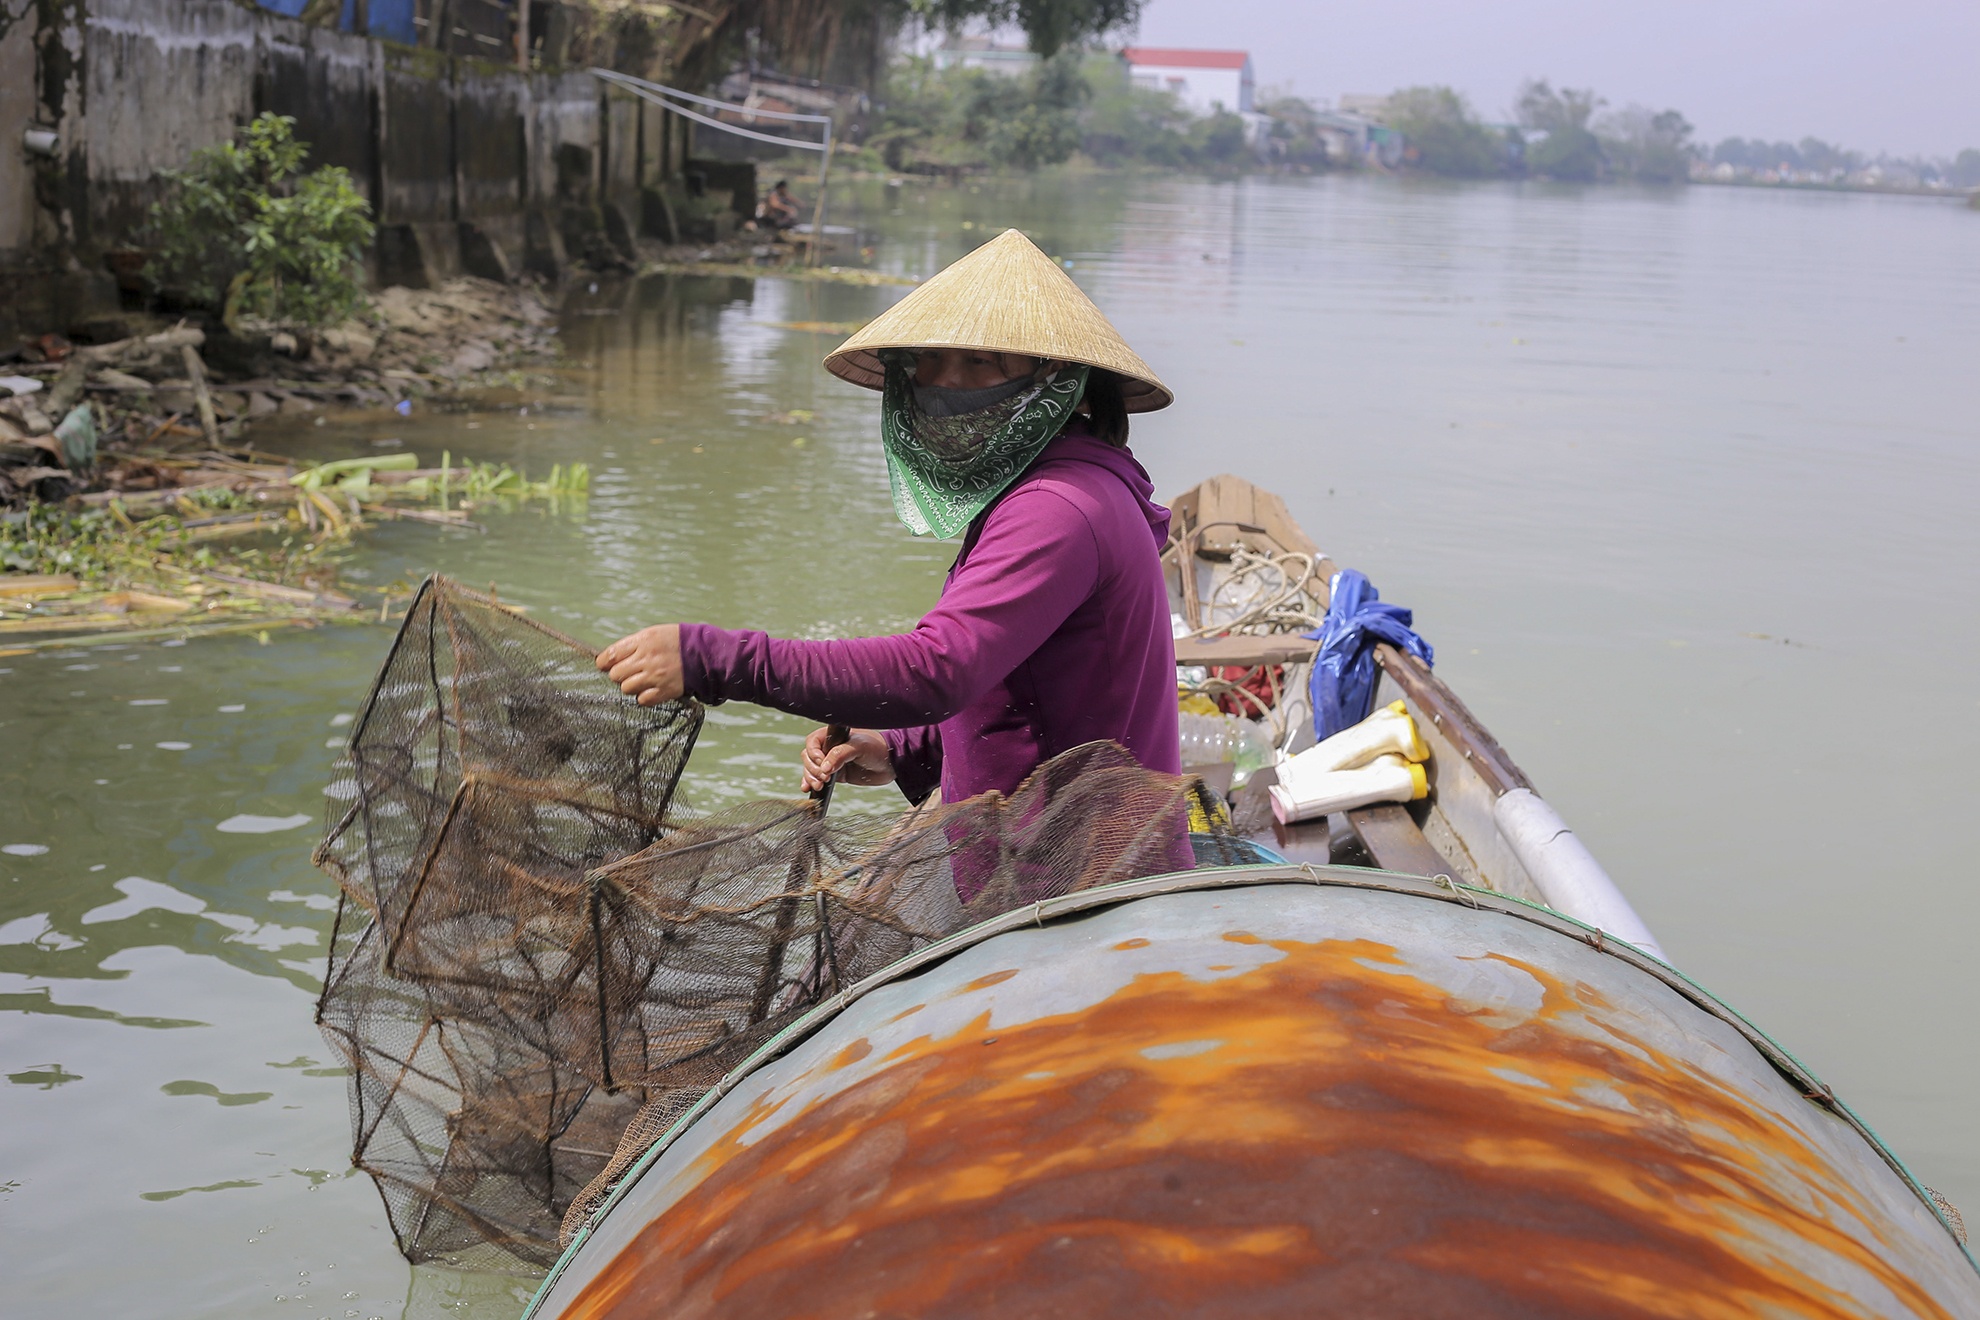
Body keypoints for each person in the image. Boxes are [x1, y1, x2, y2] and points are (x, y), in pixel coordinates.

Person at [596, 228, 1181, 811]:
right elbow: (1024, 685)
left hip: (1088, 887)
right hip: (1031, 864)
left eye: (980, 362)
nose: (946, 383)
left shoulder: (1058, 508)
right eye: (929, 360)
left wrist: (714, 659)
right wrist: (906, 749)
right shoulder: (1043, 488)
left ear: (1066, 387)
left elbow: (937, 670)